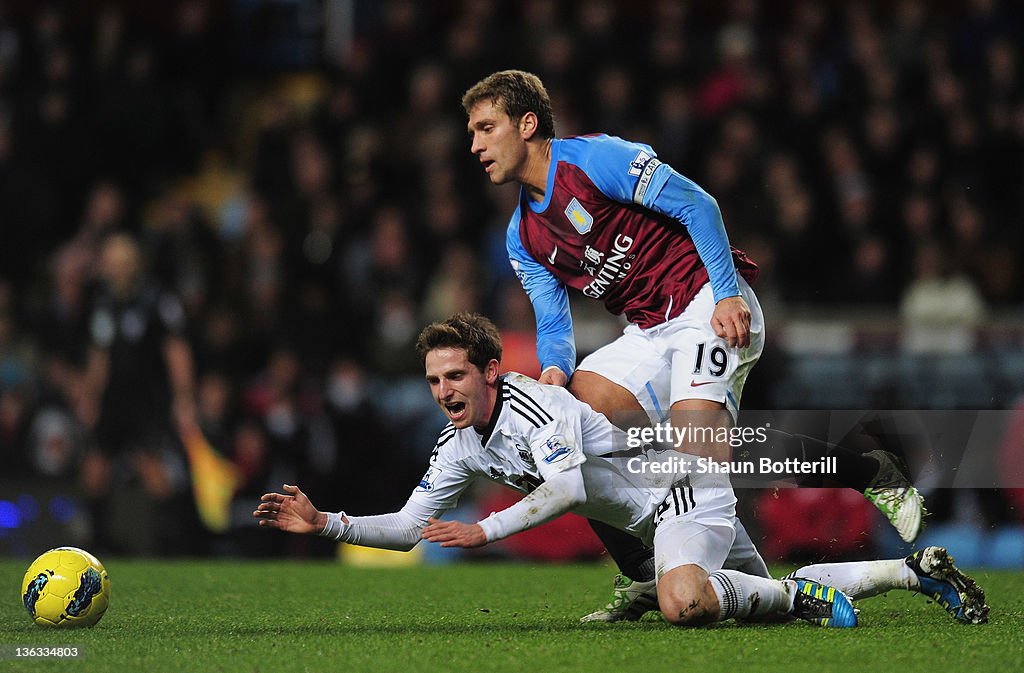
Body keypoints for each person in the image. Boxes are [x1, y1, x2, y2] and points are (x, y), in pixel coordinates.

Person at [460, 69, 925, 620]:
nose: (475, 144)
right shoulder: (522, 235)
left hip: (707, 299)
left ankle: (868, 473)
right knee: (570, 420)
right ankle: (641, 574)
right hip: (649, 330)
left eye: (487, 128)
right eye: (472, 132)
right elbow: (554, 324)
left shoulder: (595, 159)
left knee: (699, 447)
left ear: (527, 123)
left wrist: (728, 293)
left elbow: (699, 204)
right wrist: (555, 374)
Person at [254, 313, 987, 627]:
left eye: (455, 375)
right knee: (754, 597)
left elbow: (570, 486)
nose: (443, 390)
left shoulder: (533, 407)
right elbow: (412, 527)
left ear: (489, 369)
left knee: (686, 604)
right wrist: (326, 523)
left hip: (680, 491)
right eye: (433, 381)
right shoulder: (461, 444)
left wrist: (486, 529)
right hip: (655, 516)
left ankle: (855, 474)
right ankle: (911, 572)